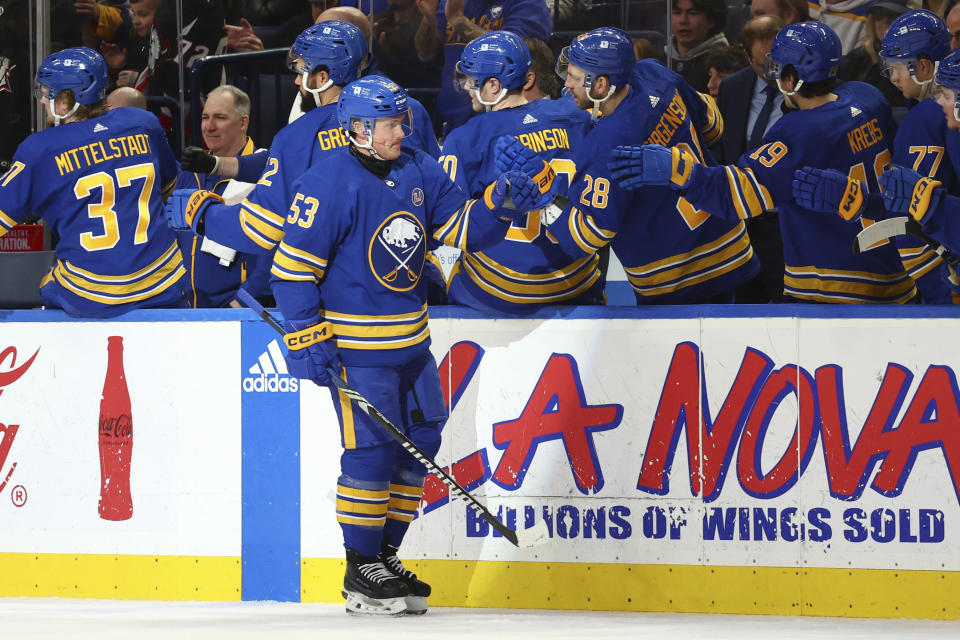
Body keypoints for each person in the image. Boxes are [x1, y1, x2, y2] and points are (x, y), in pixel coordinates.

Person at [268, 76, 540, 615]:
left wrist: (500, 203)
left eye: (402, 119)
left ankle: (385, 557)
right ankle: (359, 567)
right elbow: (292, 271)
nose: (403, 129)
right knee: (371, 455)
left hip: (413, 344)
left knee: (422, 442)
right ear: (360, 128)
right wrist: (308, 335)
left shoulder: (419, 167)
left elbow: (459, 226)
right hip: (358, 350)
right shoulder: (326, 184)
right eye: (392, 123)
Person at [610, 22, 917, 304]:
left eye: (777, 69)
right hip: (895, 272)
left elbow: (736, 193)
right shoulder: (869, 98)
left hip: (830, 287)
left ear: (791, 78)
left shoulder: (796, 133)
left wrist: (678, 170)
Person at [509, 27, 758, 305]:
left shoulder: (607, 144)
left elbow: (587, 234)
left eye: (575, 78)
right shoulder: (656, 72)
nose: (566, 84)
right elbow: (713, 125)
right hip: (729, 244)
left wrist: (545, 200)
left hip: (671, 275)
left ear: (601, 85)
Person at [0, 47, 186, 316]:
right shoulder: (142, 122)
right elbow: (169, 188)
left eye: (47, 93)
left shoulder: (40, 150)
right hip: (162, 284)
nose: (42, 100)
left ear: (67, 99)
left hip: (91, 295)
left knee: (49, 284)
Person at [439, 31, 600, 314]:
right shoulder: (573, 115)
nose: (466, 87)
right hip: (577, 284)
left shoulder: (466, 138)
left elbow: (451, 226)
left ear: (493, 85)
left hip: (498, 293)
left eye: (471, 80)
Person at [174, 85, 268, 308]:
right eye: (205, 117)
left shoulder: (266, 168)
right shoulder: (190, 171)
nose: (210, 127)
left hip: (238, 313)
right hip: (187, 311)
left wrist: (242, 303)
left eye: (220, 118)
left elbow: (277, 249)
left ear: (243, 122)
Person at [713, 14, 786, 303]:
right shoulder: (732, 88)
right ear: (746, 55)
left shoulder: (803, 88)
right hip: (741, 225)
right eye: (763, 62)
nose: (774, 70)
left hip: (783, 223)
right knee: (745, 310)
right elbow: (722, 151)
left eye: (778, 60)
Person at [413, 0, 552, 134]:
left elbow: (513, 56)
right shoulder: (450, 3)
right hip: (453, 122)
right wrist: (430, 18)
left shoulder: (528, 4)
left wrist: (457, 19)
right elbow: (425, 53)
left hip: (504, 124)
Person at [838, 0, 912, 108]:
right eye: (879, 16)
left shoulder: (915, 59)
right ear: (872, 21)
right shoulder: (858, 58)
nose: (885, 22)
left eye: (892, 16)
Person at [668, 0, 729, 92]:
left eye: (693, 13)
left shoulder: (725, 62)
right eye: (677, 13)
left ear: (711, 21)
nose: (683, 21)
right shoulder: (660, 60)